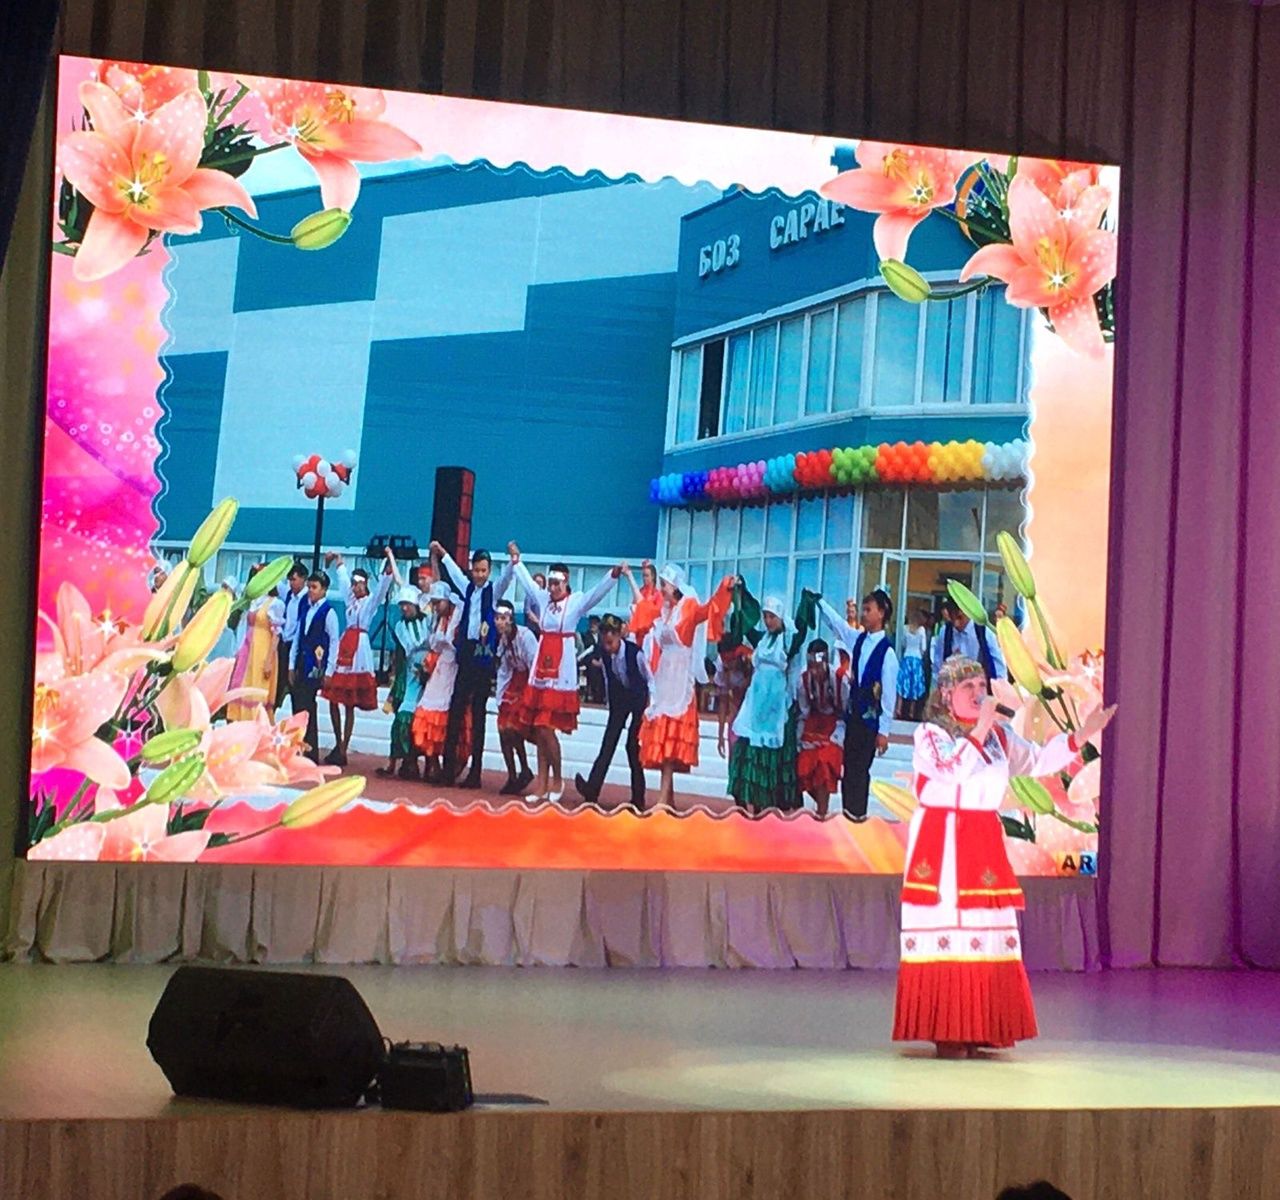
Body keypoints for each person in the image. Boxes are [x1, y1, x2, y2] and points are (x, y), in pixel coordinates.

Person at [894, 656, 1114, 1056]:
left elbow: (1037, 760)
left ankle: (980, 1024)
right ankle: (947, 1029)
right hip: (943, 844)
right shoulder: (930, 734)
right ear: (946, 694)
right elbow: (952, 769)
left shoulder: (998, 737)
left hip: (982, 838)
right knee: (950, 929)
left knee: (987, 930)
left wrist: (1082, 734)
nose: (979, 694)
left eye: (982, 686)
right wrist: (980, 728)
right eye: (968, 687)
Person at [511, 543, 624, 803]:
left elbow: (596, 594)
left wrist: (613, 575)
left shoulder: (575, 602)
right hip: (542, 663)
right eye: (550, 584)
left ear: (566, 583)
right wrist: (516, 560)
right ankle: (542, 783)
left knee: (547, 726)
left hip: (561, 668)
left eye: (556, 584)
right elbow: (527, 583)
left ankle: (558, 778)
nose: (552, 588)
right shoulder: (543, 600)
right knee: (539, 727)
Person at [631, 564, 733, 810]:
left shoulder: (687, 608)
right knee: (663, 731)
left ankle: (663, 798)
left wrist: (724, 588)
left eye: (665, 584)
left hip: (679, 676)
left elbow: (708, 609)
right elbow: (643, 608)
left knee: (671, 734)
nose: (662, 588)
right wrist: (629, 579)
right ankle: (669, 797)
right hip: (665, 675)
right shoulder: (663, 610)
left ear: (675, 586)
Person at [432, 541, 515, 789]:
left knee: (479, 714)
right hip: (466, 653)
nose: (479, 575)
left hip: (483, 655)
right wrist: (442, 552)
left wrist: (513, 561)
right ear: (472, 569)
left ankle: (475, 773)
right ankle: (448, 770)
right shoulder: (467, 587)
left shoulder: (493, 591)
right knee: (456, 709)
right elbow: (454, 572)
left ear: (489, 571)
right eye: (476, 570)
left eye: (483, 570)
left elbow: (506, 579)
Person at [818, 589, 898, 822]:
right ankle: (848, 813)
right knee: (849, 767)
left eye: (868, 610)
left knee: (861, 770)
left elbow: (889, 695)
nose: (863, 614)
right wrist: (820, 603)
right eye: (863, 609)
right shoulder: (859, 640)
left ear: (881, 613)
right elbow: (839, 626)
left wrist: (884, 731)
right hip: (854, 716)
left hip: (870, 721)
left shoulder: (888, 653)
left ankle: (858, 815)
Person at [726, 592, 805, 814]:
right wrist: (739, 596)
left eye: (772, 616)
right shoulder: (762, 640)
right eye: (766, 616)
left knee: (771, 752)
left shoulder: (788, 640)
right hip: (756, 701)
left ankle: (771, 806)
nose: (768, 621)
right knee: (748, 748)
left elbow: (800, 634)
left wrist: (806, 605)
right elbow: (747, 626)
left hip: (776, 703)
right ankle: (751, 803)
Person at [319, 550, 394, 766]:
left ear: (366, 584)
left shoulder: (370, 602)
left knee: (349, 702)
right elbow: (342, 581)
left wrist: (388, 565)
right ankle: (338, 741)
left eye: (360, 583)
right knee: (334, 698)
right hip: (346, 646)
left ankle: (343, 746)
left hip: (359, 649)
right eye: (354, 583)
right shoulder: (350, 600)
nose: (356, 587)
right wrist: (338, 561)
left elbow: (381, 590)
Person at [574, 614, 651, 809]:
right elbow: (607, 678)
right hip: (620, 699)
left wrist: (650, 708)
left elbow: (650, 679)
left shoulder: (635, 653)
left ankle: (638, 798)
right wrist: (610, 703)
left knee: (632, 746)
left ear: (619, 635)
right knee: (608, 743)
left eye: (611, 638)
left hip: (639, 699)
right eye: (604, 637)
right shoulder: (603, 651)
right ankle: (592, 789)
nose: (608, 644)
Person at [412, 581, 466, 782]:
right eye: (434, 603)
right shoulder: (438, 618)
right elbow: (434, 642)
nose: (435, 607)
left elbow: (453, 641)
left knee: (451, 718)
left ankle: (452, 766)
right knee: (427, 710)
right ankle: (433, 764)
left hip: (455, 667)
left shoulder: (459, 614)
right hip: (439, 666)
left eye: (438, 603)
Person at [378, 582, 432, 781]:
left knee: (428, 720)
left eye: (407, 604)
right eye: (401, 605)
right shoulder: (400, 627)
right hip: (410, 674)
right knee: (403, 717)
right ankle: (402, 760)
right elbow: (400, 655)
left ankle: (428, 764)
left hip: (432, 674)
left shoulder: (429, 621)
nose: (404, 608)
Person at [289, 570, 340, 764]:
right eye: (309, 587)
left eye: (315, 587)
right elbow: (297, 637)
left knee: (308, 705)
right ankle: (298, 746)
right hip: (301, 662)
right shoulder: (306, 609)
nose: (311, 590)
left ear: (324, 590)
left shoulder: (329, 612)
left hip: (316, 664)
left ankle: (310, 751)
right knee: (298, 705)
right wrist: (291, 664)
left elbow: (334, 642)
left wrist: (330, 670)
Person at [795, 638, 848, 817]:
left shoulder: (840, 679)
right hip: (813, 722)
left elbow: (844, 712)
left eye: (818, 667)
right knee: (804, 765)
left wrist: (839, 736)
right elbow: (804, 712)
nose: (815, 672)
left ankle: (822, 812)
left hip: (835, 723)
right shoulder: (803, 680)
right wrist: (798, 737)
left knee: (824, 763)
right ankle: (820, 807)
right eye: (812, 667)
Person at [227, 564, 285, 722]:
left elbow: (276, 635)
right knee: (243, 685)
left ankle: (258, 724)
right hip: (249, 649)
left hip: (263, 650)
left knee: (258, 689)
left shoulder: (275, 603)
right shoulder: (254, 602)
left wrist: (269, 661)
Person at [494, 599, 538, 795]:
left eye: (503, 618)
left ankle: (525, 768)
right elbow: (504, 669)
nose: (499, 622)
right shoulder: (503, 640)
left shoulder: (525, 637)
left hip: (529, 681)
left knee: (513, 728)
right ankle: (513, 775)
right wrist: (500, 695)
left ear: (511, 619)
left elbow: (534, 664)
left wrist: (533, 694)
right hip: (514, 681)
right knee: (502, 729)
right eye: (497, 618)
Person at [931, 597, 1005, 686]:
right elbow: (938, 665)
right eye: (952, 618)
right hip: (953, 688)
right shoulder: (945, 632)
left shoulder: (983, 632)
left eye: (960, 618)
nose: (956, 624)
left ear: (967, 612)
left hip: (978, 688)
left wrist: (1000, 689)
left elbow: (998, 666)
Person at [273, 561, 309, 714]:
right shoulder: (289, 594)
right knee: (279, 683)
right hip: (285, 643)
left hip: (298, 646)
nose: (291, 583)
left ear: (303, 579)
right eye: (290, 580)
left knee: (297, 689)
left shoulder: (307, 598)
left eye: (294, 579)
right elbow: (276, 582)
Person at [713, 643, 752, 760]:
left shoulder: (751, 661)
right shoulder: (722, 668)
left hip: (751, 717)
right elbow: (723, 703)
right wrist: (720, 736)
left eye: (730, 661)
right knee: (734, 750)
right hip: (735, 716)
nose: (728, 665)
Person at [896, 609, 928, 721]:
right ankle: (911, 709)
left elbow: (903, 643)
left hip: (906, 657)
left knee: (902, 682)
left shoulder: (905, 628)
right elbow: (923, 647)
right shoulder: (922, 630)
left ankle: (899, 707)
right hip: (917, 659)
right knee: (915, 684)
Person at [580, 615, 605, 704]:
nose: (592, 625)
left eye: (595, 623)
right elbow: (584, 651)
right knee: (593, 670)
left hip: (601, 660)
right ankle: (595, 696)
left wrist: (601, 660)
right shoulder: (585, 636)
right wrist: (593, 661)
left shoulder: (602, 636)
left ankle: (603, 696)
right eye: (591, 623)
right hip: (589, 661)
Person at [524, 571, 548, 637]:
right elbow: (527, 611)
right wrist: (537, 622)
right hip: (532, 628)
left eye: (540, 582)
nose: (538, 584)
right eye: (536, 582)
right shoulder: (529, 595)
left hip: (543, 629)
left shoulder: (545, 595)